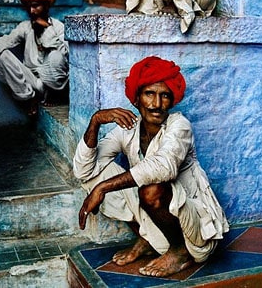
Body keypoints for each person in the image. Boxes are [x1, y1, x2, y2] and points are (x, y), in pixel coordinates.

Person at [73, 56, 229, 278]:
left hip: (196, 230)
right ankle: (148, 239)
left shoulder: (179, 125)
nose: (157, 104)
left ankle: (179, 252)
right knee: (96, 176)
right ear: (136, 99)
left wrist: (103, 189)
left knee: (151, 189)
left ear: (172, 100)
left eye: (164, 95)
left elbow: (164, 167)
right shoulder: (128, 129)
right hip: (159, 219)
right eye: (149, 94)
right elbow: (84, 170)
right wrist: (96, 121)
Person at [0, 0, 69, 117]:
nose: (32, 11)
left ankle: (53, 95)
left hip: (54, 84)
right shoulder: (25, 26)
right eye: (29, 7)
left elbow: (67, 55)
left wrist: (47, 30)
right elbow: (6, 40)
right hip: (31, 81)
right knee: (2, 56)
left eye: (36, 6)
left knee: (56, 56)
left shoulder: (58, 27)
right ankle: (30, 98)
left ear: (46, 6)